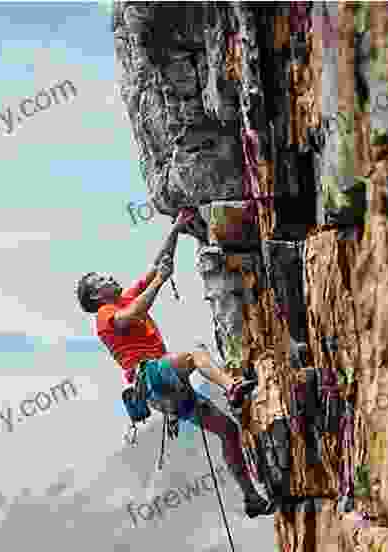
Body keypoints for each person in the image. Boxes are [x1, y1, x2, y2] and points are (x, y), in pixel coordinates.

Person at [75, 210, 272, 517]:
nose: (110, 277)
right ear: (96, 296)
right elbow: (132, 316)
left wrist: (177, 229)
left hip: (162, 390)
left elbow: (156, 265)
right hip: (151, 374)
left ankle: (251, 498)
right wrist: (160, 283)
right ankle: (232, 387)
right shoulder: (106, 315)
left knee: (228, 430)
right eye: (101, 279)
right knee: (195, 355)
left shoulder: (124, 298)